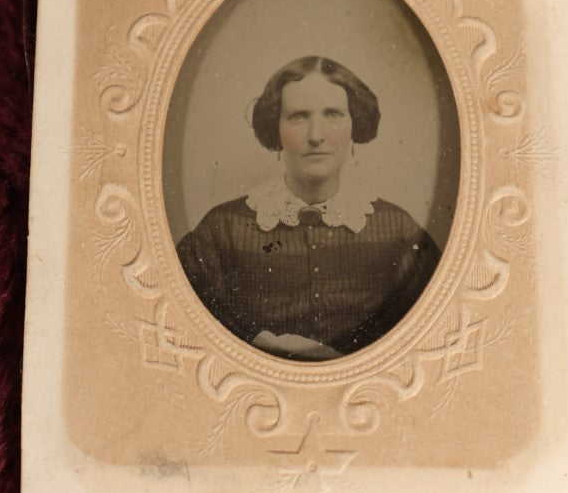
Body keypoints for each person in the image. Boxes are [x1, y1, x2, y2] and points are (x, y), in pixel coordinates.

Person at [176, 56, 441, 361]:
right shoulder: (222, 231)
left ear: (356, 124)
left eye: (333, 114)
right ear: (275, 128)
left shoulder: (398, 231)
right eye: (298, 116)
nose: (316, 136)